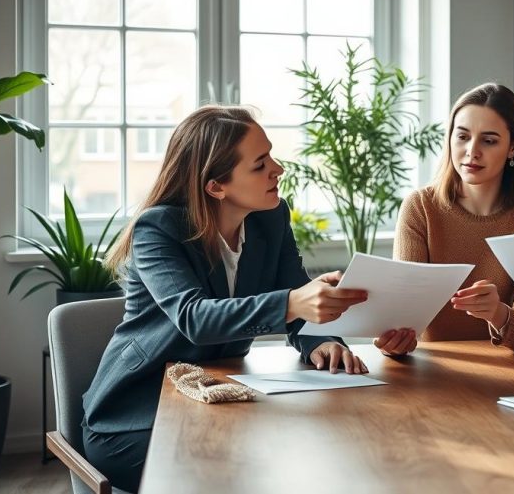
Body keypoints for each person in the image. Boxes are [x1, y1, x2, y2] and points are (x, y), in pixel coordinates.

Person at [82, 106, 369, 491]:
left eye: (271, 155)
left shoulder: (271, 217)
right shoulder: (158, 229)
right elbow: (195, 318)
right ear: (216, 185)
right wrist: (291, 304)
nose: (278, 169)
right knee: (256, 471)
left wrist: (322, 340)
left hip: (220, 398)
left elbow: (295, 290)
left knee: (309, 451)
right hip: (135, 416)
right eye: (260, 164)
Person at [376, 83, 514, 356]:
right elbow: (402, 317)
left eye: (488, 141)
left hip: (509, 371)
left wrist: (497, 313)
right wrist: (392, 343)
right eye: (462, 136)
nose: (472, 151)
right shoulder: (420, 207)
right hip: (431, 368)